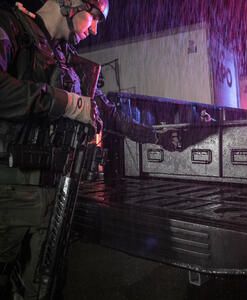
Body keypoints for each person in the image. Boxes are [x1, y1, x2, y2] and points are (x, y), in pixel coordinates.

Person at [0, 1, 176, 299]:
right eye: (93, 17)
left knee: (43, 287)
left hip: (55, 196)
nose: (94, 29)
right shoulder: (12, 27)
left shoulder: (65, 61)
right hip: (10, 193)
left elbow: (106, 113)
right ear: (69, 3)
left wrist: (157, 137)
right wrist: (67, 103)